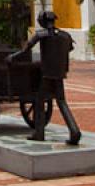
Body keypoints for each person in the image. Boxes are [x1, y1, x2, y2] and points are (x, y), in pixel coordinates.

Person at [8, 10, 81, 145]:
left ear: (42, 21)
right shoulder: (65, 35)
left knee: (40, 101)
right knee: (62, 102)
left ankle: (39, 133)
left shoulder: (41, 35)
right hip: (59, 73)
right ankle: (75, 131)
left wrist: (13, 56)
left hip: (47, 74)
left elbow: (26, 48)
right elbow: (70, 48)